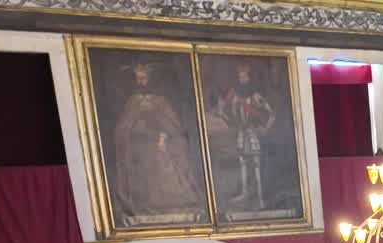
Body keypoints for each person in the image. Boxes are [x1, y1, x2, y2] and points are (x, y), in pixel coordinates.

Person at [112, 63, 204, 221]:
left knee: (161, 160)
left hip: (161, 143)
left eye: (144, 78)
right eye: (138, 78)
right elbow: (123, 128)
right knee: (143, 160)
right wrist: (133, 128)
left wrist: (163, 136)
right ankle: (144, 205)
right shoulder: (132, 102)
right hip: (138, 146)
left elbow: (174, 125)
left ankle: (166, 205)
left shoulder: (160, 101)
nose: (141, 82)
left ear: (149, 79)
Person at [213, 62, 275, 211]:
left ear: (248, 77)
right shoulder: (234, 95)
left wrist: (264, 127)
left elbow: (270, 113)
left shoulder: (255, 96)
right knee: (242, 162)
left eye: (244, 76)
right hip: (241, 131)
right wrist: (222, 110)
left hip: (253, 131)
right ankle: (246, 193)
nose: (242, 78)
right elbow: (227, 113)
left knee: (256, 164)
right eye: (240, 76)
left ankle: (260, 197)